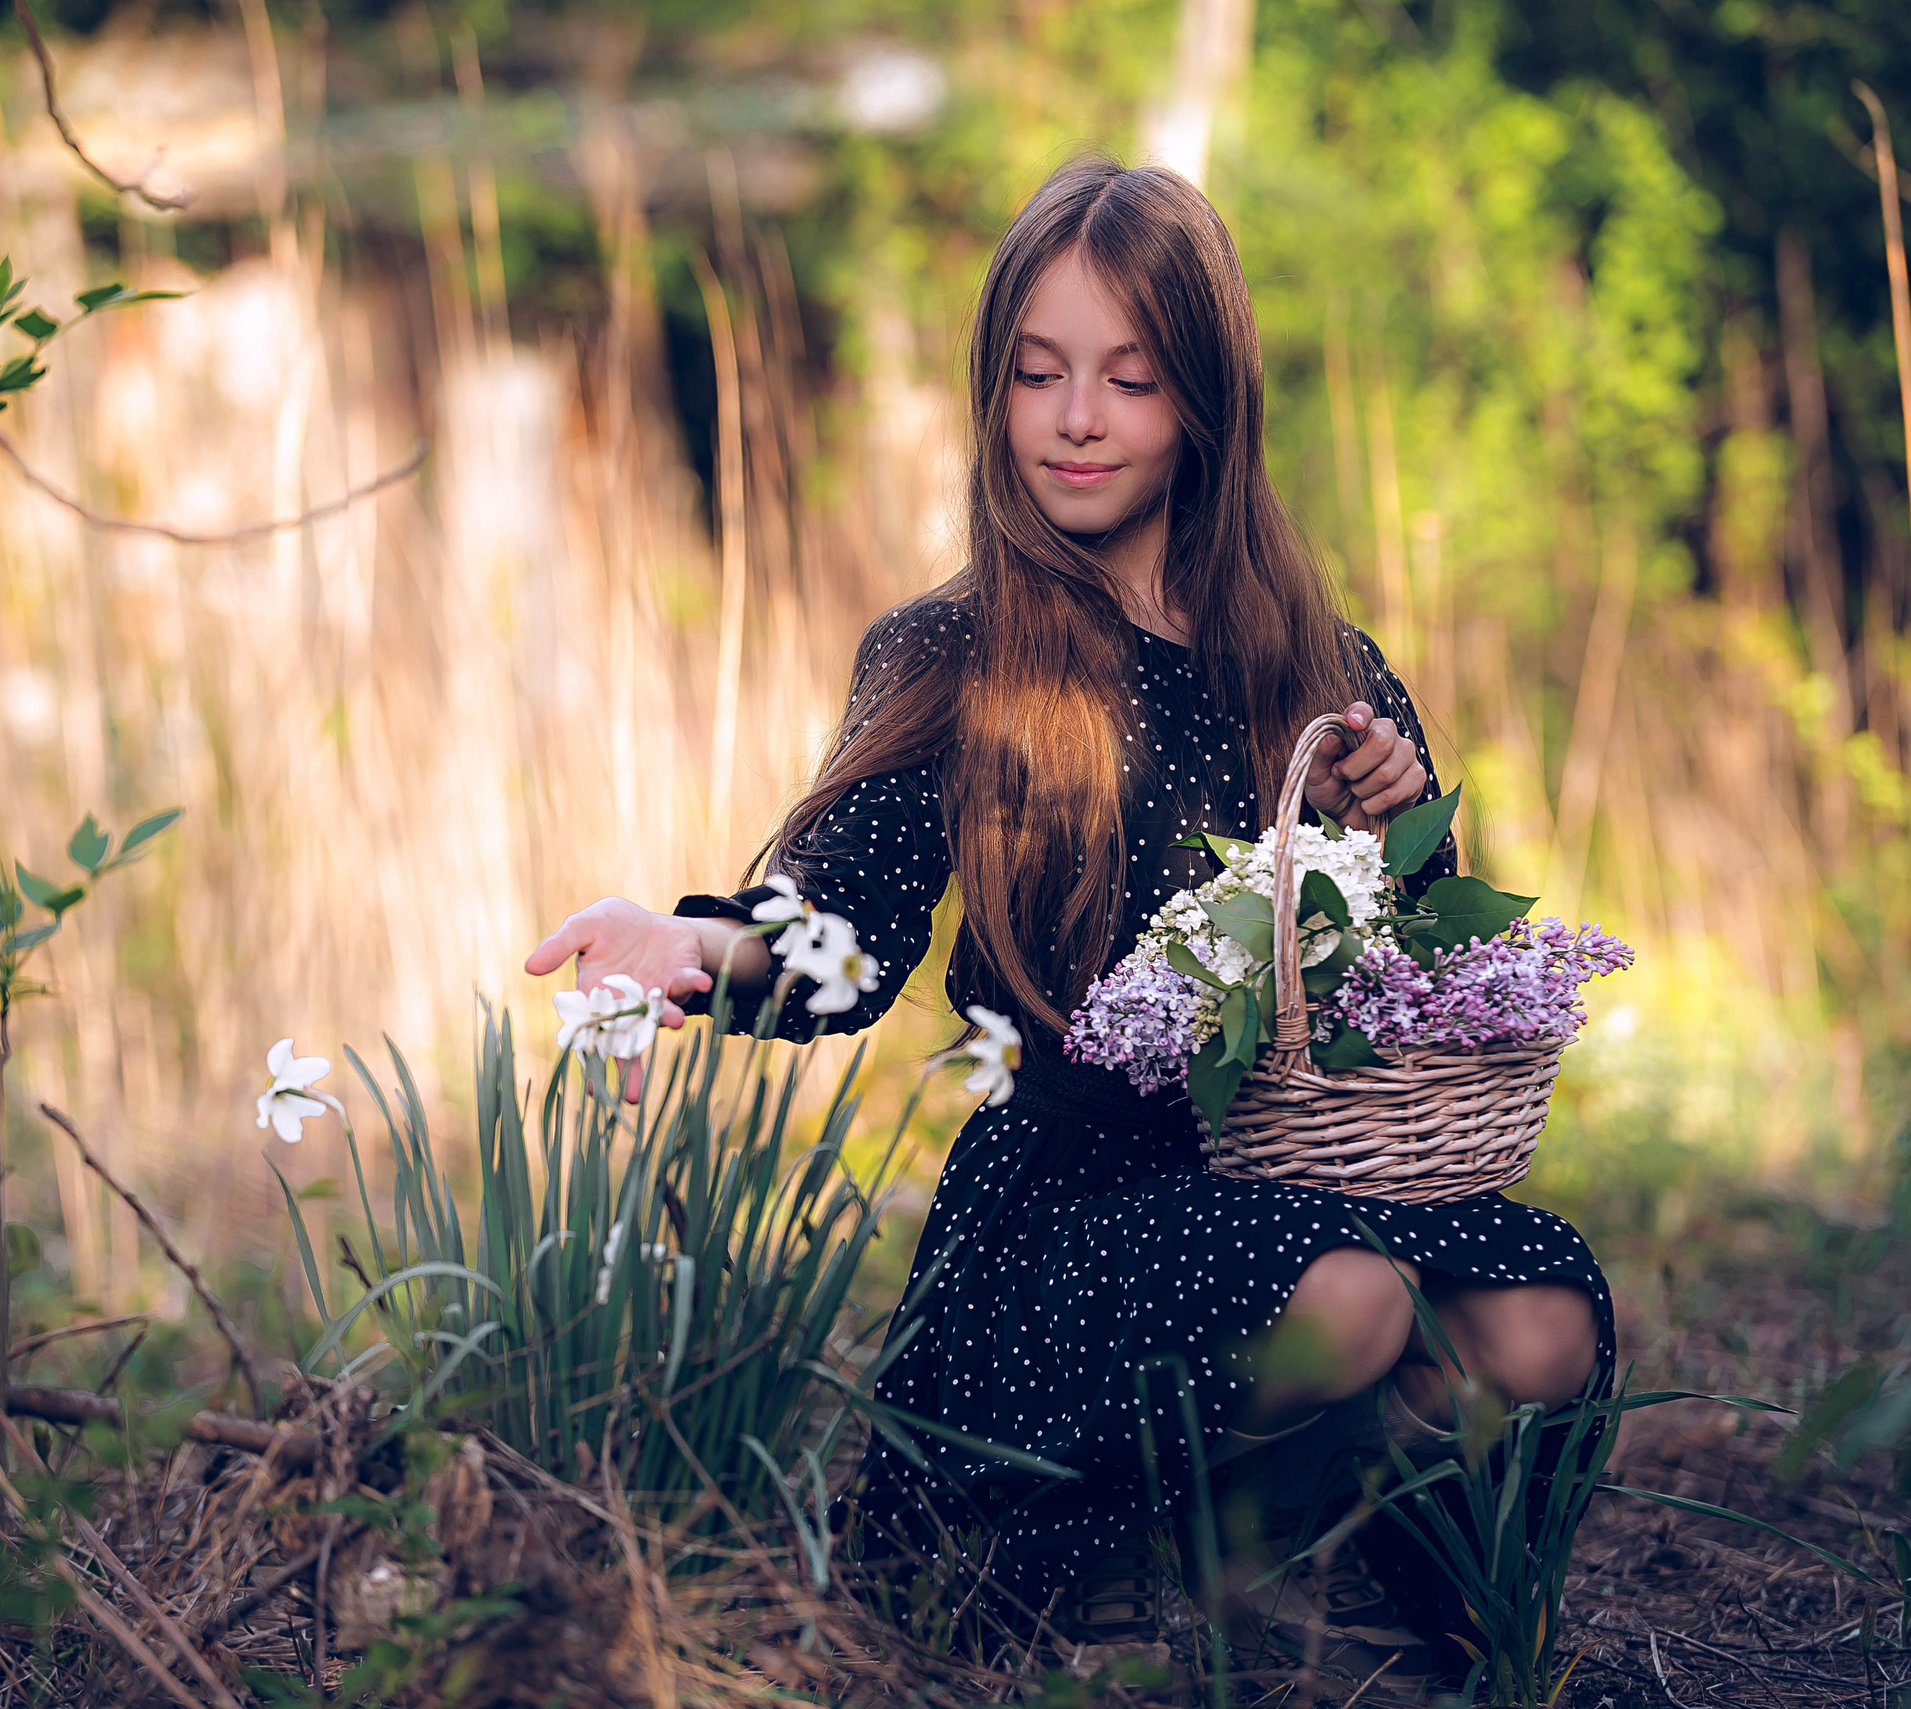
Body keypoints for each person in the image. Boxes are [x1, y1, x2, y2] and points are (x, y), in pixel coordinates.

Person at [525, 157, 1611, 1694]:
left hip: (1294, 1172)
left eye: (1129, 378)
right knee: (1351, 1298)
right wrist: (700, 947)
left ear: (1206, 404)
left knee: (1544, 1317)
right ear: (996, 393)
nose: (1077, 418)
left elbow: (1418, 984)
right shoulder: (957, 649)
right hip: (1068, 1221)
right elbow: (845, 923)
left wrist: (1397, 827)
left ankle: (1332, 1571)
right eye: (1037, 373)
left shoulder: (1319, 661)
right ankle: (1133, 1571)